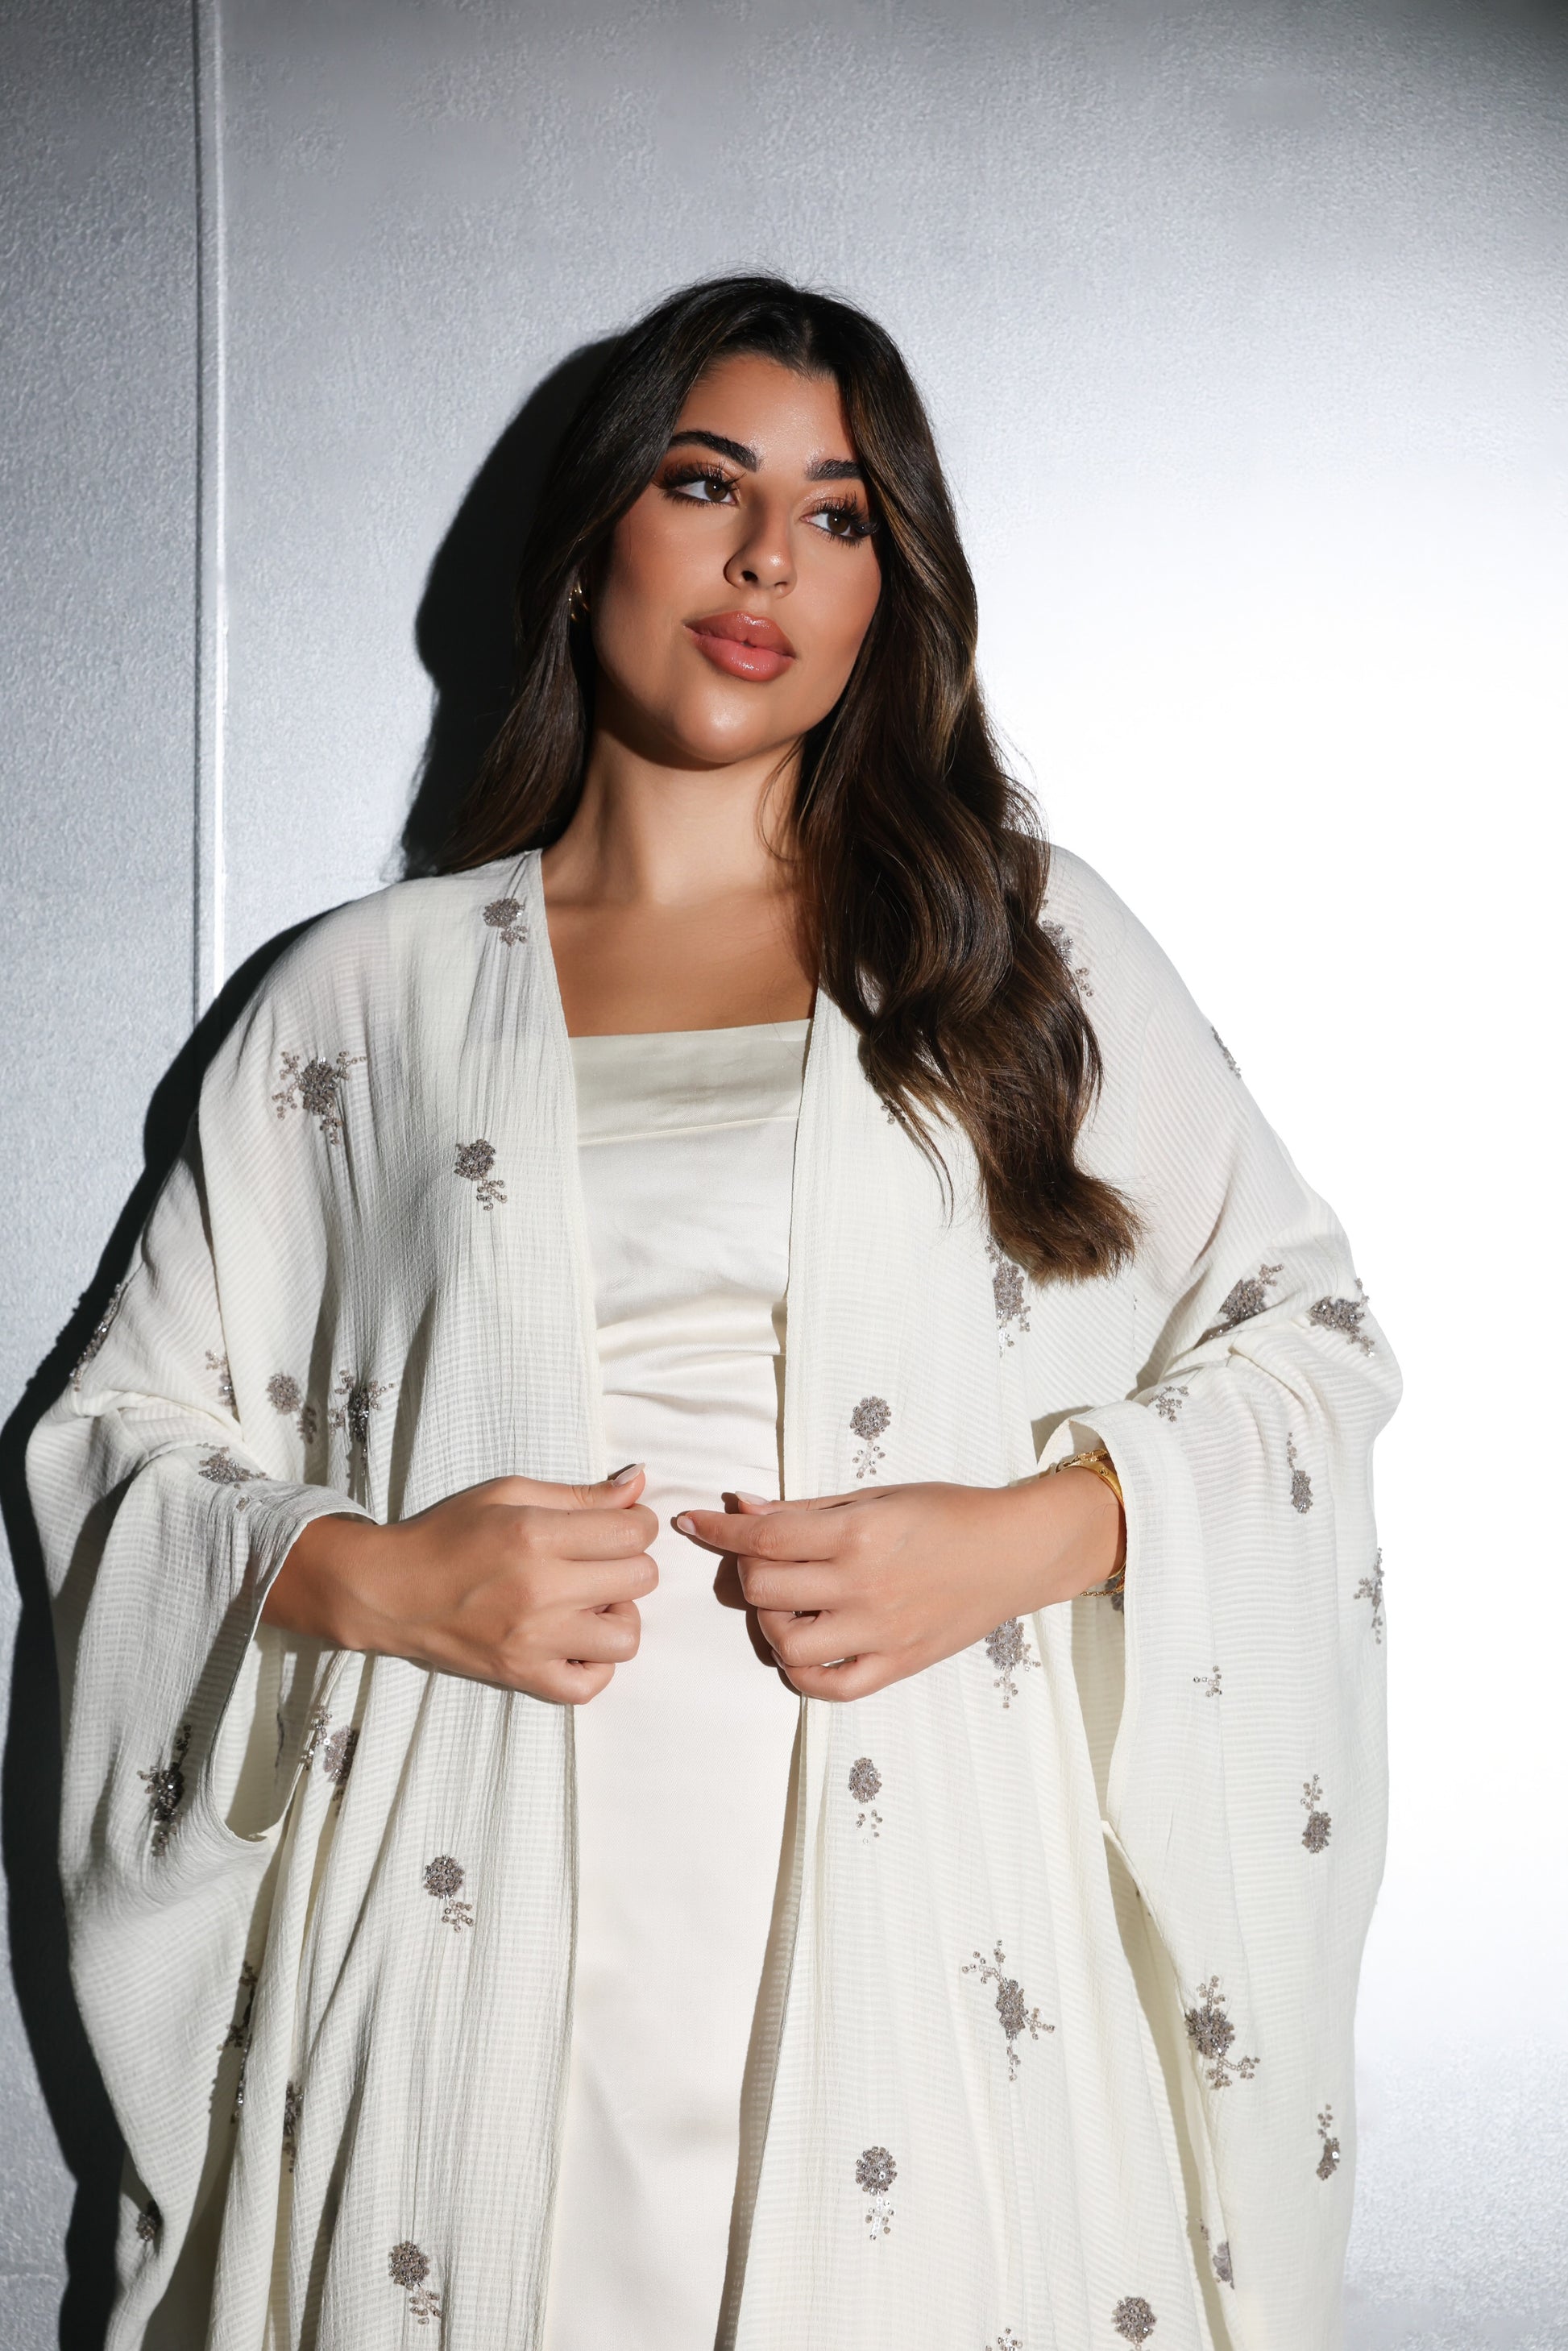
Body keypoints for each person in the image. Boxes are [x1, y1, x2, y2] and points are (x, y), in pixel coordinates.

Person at [29, 276, 1397, 2351]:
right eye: (705, 484)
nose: (769, 559)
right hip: (460, 1920)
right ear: (592, 544)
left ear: (884, 598)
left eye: (838, 516)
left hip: (932, 1940)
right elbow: (118, 1440)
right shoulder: (363, 997)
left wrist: (1023, 1538)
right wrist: (384, 1579)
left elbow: (1306, 1344)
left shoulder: (1011, 956)